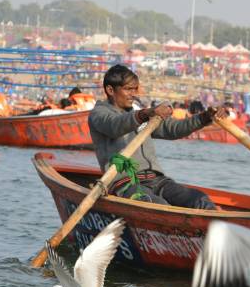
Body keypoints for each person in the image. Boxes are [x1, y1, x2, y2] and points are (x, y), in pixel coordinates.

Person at [88, 64, 227, 209]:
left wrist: (204, 118)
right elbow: (114, 126)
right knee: (158, 206)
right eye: (128, 89)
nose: (134, 94)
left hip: (156, 180)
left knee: (200, 200)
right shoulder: (99, 113)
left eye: (135, 89)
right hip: (124, 184)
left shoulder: (139, 114)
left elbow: (173, 129)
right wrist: (144, 114)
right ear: (110, 90)